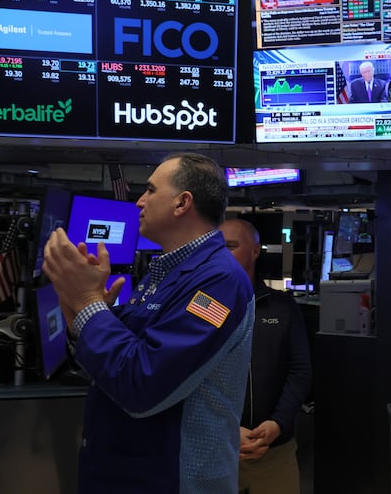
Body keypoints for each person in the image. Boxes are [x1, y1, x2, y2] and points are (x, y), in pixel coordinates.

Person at [42, 152, 255, 494]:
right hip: (125, 473)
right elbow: (115, 362)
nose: (139, 201)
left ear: (182, 203)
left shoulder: (219, 281)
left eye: (151, 190)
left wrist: (88, 304)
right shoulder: (169, 273)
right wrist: (79, 308)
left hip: (170, 481)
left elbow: (142, 384)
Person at [218, 219, 312, 494]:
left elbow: (300, 372)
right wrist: (227, 428)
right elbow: (192, 374)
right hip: (217, 448)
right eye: (218, 249)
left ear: (255, 251)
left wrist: (278, 423)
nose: (223, 255)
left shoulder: (282, 307)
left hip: (274, 450)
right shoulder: (203, 305)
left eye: (231, 247)